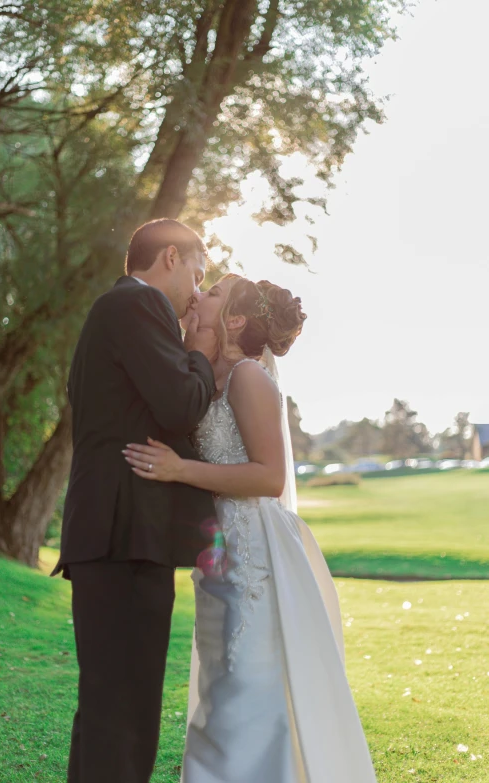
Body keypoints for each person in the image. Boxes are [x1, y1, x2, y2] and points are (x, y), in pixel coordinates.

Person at [123, 273, 379, 783]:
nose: (200, 296)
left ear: (236, 319)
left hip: (254, 560)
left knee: (244, 701)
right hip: (220, 558)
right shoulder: (208, 377)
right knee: (221, 691)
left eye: (213, 292)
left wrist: (179, 469)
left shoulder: (248, 377)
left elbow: (270, 476)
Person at [52, 218, 220, 783]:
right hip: (124, 533)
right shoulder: (136, 306)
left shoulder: (120, 313)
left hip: (115, 533)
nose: (199, 291)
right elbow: (179, 405)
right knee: (125, 708)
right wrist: (198, 350)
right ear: (170, 257)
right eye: (198, 271)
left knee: (111, 705)